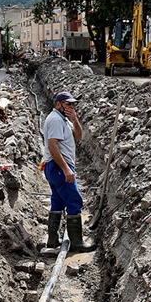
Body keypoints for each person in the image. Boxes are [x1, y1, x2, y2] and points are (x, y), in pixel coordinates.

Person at [40, 92, 96, 252]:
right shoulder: (56, 120)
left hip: (55, 168)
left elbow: (78, 136)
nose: (71, 107)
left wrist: (75, 120)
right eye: (67, 104)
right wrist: (66, 169)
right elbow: (52, 146)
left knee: (57, 201)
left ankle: (52, 240)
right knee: (74, 201)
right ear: (58, 104)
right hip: (59, 167)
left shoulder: (64, 119)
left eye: (72, 104)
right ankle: (77, 243)